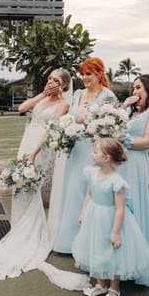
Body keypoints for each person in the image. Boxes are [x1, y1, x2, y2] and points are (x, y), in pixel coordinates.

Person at [0, 70, 76, 281]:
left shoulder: (64, 104)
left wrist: (35, 153)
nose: (52, 82)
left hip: (40, 147)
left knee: (31, 188)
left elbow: (50, 130)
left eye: (56, 80)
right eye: (50, 79)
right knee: (19, 187)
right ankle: (17, 232)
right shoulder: (44, 97)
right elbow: (22, 108)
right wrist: (43, 94)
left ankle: (33, 237)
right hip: (26, 141)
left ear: (64, 86)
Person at [72, 138, 149, 296]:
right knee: (95, 247)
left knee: (113, 253)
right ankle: (101, 283)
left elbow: (120, 208)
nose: (91, 154)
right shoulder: (92, 172)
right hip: (93, 216)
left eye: (95, 152)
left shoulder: (117, 182)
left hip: (111, 220)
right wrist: (82, 214)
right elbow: (89, 194)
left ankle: (114, 287)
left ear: (106, 158)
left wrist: (115, 232)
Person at [49, 57, 117, 253]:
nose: (85, 77)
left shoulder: (108, 96)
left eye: (89, 74)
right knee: (72, 192)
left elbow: (109, 125)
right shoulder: (78, 93)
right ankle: (69, 242)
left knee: (89, 192)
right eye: (83, 74)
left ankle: (89, 243)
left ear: (99, 74)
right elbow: (70, 117)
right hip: (75, 149)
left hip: (95, 150)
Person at [118, 74, 149, 287]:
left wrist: (120, 139)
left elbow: (147, 141)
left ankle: (136, 267)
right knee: (118, 211)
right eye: (133, 88)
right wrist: (122, 108)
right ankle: (118, 265)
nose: (134, 92)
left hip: (135, 164)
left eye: (138, 88)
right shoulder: (134, 112)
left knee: (132, 208)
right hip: (120, 164)